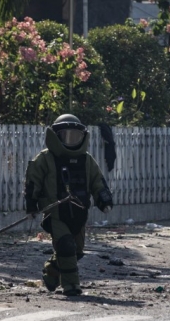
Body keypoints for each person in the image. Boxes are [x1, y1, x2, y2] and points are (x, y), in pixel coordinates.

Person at [24, 114, 114, 296]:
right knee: (65, 246)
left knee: (76, 252)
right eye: (66, 136)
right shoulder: (45, 159)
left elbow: (98, 182)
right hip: (55, 213)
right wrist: (31, 205)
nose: (71, 140)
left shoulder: (86, 160)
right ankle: (71, 286)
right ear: (56, 136)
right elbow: (32, 182)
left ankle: (51, 273)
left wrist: (104, 201)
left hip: (80, 214)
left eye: (75, 136)